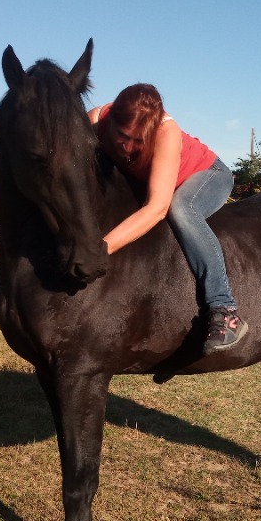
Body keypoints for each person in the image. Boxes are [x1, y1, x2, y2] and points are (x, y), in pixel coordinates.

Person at [89, 84, 248, 354]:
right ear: (111, 118)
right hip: (158, 180)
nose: (127, 147)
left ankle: (225, 309)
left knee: (181, 209)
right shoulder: (94, 121)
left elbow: (156, 208)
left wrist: (98, 249)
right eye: (122, 136)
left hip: (207, 175)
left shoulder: (166, 133)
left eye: (138, 141)